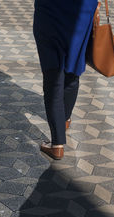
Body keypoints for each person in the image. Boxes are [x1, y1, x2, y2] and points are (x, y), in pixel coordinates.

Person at [34, 0, 97, 160]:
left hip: (51, 10)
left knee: (53, 73)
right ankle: (64, 120)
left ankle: (57, 145)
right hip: (82, 10)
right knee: (73, 67)